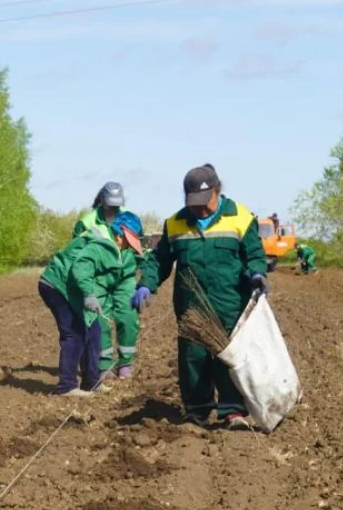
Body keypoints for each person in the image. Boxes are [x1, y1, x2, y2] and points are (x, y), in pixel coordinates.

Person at [133, 165, 268, 428]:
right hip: (190, 304)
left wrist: (257, 273)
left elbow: (254, 254)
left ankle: (232, 410)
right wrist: (146, 284)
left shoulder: (240, 217)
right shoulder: (175, 223)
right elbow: (159, 261)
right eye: (193, 203)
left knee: (228, 356)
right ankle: (197, 409)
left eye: (205, 203)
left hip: (229, 301)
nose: (200, 209)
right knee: (193, 357)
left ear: (218, 192)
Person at [40, 212, 145, 397]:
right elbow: (81, 268)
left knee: (94, 330)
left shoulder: (112, 245)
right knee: (74, 333)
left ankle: (92, 382)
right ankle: (67, 386)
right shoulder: (103, 245)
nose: (128, 246)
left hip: (72, 290)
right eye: (128, 241)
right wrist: (89, 295)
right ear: (119, 235)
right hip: (56, 286)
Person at [74, 182, 142, 379]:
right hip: (99, 279)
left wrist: (143, 276)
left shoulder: (130, 218)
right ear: (101, 201)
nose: (113, 207)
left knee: (128, 317)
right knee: (100, 319)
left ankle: (126, 362)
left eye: (117, 203)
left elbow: (138, 246)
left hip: (125, 276)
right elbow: (77, 252)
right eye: (109, 203)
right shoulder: (87, 222)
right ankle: (104, 364)